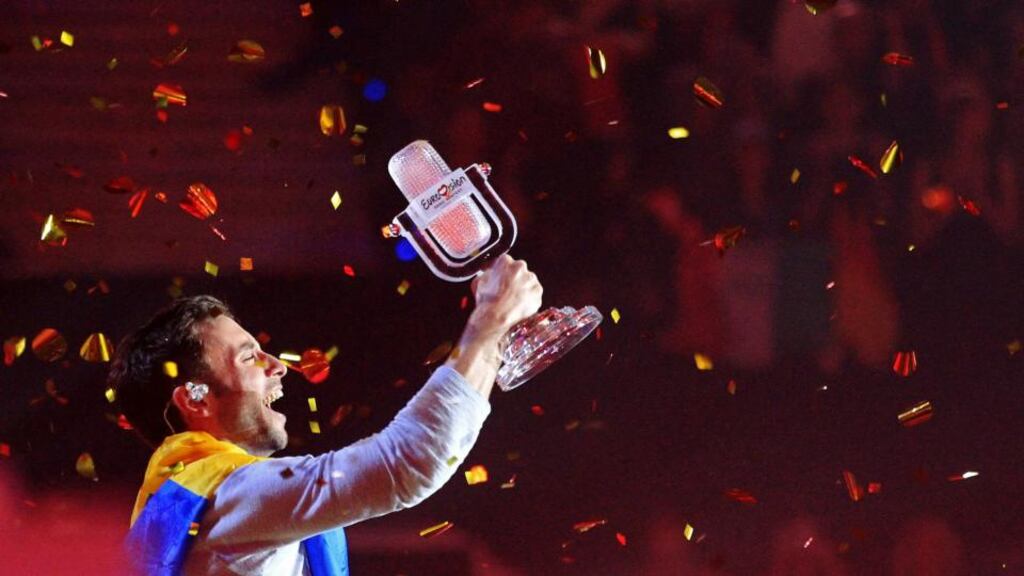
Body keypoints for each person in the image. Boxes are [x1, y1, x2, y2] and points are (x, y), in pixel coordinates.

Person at [109, 255, 543, 575]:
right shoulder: (232, 496)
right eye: (248, 357)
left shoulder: (200, 499)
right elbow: (408, 462)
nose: (277, 366)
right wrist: (491, 320)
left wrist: (494, 339)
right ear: (196, 400)